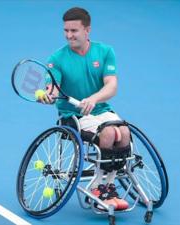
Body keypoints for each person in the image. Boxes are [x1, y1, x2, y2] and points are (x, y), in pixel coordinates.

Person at [38, 7, 130, 210]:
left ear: (87, 30)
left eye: (74, 31)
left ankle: (108, 185)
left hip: (101, 108)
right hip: (74, 114)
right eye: (66, 31)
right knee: (107, 134)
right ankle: (99, 189)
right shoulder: (56, 59)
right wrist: (49, 94)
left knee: (123, 132)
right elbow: (53, 87)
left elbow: (111, 86)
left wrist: (93, 99)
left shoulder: (105, 52)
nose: (69, 35)